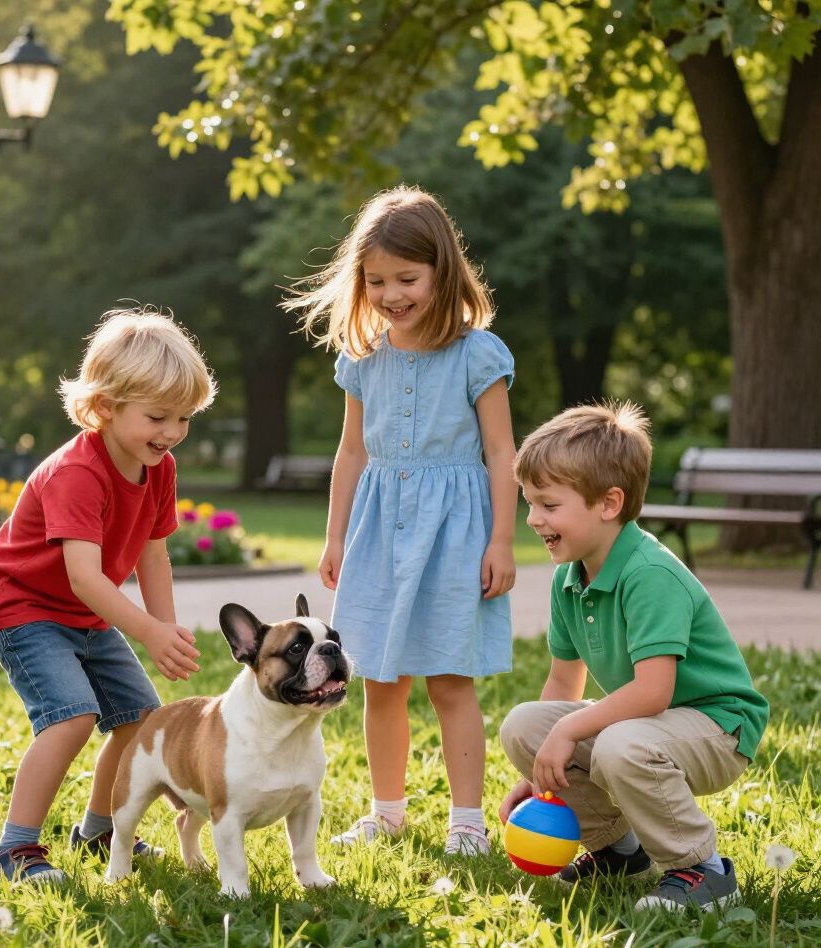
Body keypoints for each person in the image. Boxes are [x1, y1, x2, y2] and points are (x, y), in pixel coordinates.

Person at [284, 186, 518, 856]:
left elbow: (502, 451)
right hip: (379, 531)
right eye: (377, 280)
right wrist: (334, 535)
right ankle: (387, 812)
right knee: (378, 679)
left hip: (456, 534)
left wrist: (502, 539)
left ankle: (466, 821)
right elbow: (352, 451)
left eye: (407, 279)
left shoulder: (479, 355)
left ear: (444, 271)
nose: (392, 294)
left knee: (450, 678)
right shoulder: (363, 356)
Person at [0, 308, 217, 883]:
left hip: (86, 615)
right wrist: (148, 632)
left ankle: (97, 831)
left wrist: (168, 631)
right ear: (106, 407)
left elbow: (152, 552)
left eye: (184, 418)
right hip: (27, 611)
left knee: (138, 717)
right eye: (158, 416)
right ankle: (13, 849)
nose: (172, 432)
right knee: (72, 717)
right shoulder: (76, 473)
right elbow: (84, 575)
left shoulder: (157, 466)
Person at [500, 402, 769, 911]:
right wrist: (538, 771)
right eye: (529, 503)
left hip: (718, 726)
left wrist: (567, 734)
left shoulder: (649, 574)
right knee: (524, 725)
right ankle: (618, 852)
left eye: (549, 505)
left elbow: (653, 691)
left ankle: (702, 870)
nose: (533, 519)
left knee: (619, 743)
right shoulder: (569, 577)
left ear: (608, 503)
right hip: (654, 723)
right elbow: (563, 683)